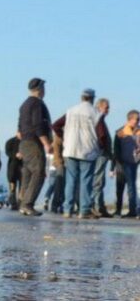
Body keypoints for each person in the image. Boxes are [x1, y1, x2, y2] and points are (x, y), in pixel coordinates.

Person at [54, 89, 100, 219]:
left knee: (71, 180)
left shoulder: (71, 111)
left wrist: (64, 137)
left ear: (82, 97)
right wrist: (101, 146)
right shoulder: (95, 112)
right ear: (92, 98)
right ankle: (84, 210)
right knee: (86, 181)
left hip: (70, 149)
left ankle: (67, 209)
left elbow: (56, 125)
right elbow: (101, 134)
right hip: (88, 151)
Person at [17, 78, 52, 216]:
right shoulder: (37, 103)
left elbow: (19, 128)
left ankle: (22, 203)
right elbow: (38, 125)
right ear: (40, 89)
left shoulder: (24, 104)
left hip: (24, 142)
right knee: (38, 172)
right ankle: (28, 204)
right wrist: (46, 143)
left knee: (27, 173)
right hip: (33, 142)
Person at [113, 110, 140, 218]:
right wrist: (118, 163)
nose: (138, 122)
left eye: (139, 120)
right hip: (123, 163)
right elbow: (116, 149)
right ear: (130, 119)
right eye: (136, 119)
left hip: (135, 163)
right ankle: (119, 210)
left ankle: (132, 210)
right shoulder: (120, 132)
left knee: (132, 187)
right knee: (120, 187)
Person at [92, 98, 113, 218]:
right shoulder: (99, 119)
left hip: (102, 154)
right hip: (100, 153)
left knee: (100, 180)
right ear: (99, 107)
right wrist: (103, 147)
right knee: (98, 181)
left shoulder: (101, 120)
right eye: (106, 107)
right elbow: (101, 136)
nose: (108, 110)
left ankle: (100, 205)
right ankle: (96, 206)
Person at [5, 134, 22, 210]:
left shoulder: (25, 142)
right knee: (12, 186)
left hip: (23, 167)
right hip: (12, 167)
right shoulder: (10, 141)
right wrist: (15, 155)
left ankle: (20, 203)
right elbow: (7, 152)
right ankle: (13, 204)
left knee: (22, 187)